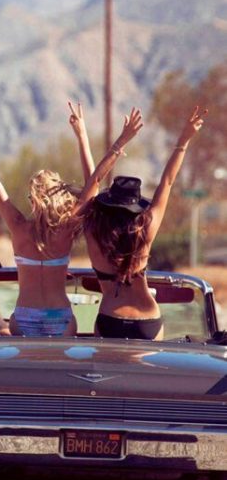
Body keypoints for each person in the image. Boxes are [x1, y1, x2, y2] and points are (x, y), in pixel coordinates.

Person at [0, 103, 143, 337]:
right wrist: (112, 139)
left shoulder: (17, 226)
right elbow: (95, 181)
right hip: (61, 319)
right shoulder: (67, 228)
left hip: (24, 319)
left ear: (33, 200)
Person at [83, 106, 207, 341]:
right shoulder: (146, 228)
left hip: (111, 315)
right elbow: (167, 182)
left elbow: (93, 181)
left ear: (107, 202)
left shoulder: (93, 232)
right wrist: (184, 139)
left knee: (104, 377)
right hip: (148, 318)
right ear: (136, 206)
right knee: (149, 378)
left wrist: (121, 142)